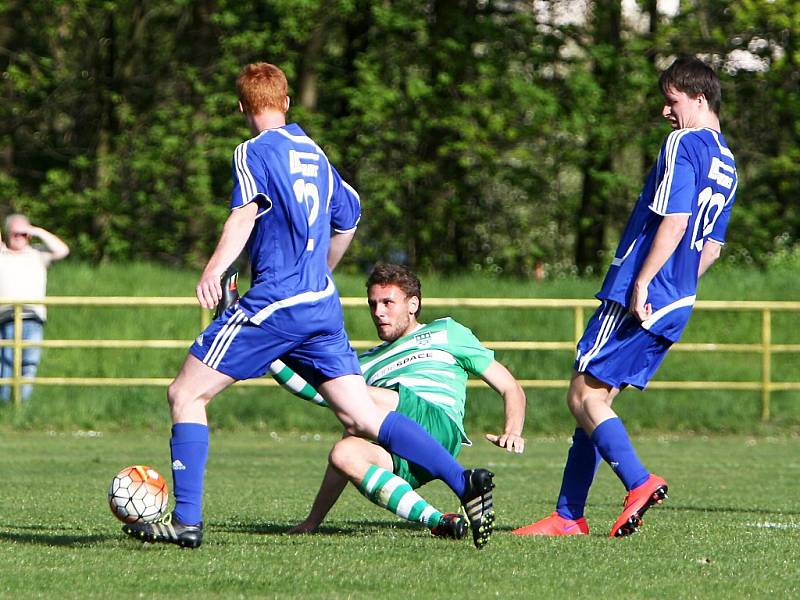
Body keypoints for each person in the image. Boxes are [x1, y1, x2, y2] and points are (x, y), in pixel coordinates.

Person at [122, 62, 496, 549]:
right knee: (361, 414)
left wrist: (214, 269)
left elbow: (243, 213)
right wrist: (321, 271)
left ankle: (187, 521)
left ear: (241, 107)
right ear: (286, 103)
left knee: (185, 395)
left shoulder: (251, 151)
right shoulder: (315, 153)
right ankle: (462, 479)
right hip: (322, 303)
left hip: (277, 300)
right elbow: (350, 212)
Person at [513, 56, 737, 538]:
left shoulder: (685, 143)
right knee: (596, 405)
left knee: (581, 393)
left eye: (671, 100)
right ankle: (568, 515)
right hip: (679, 299)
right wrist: (678, 283)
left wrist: (643, 281)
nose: (664, 111)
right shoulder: (728, 162)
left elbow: (675, 219)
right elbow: (712, 247)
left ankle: (638, 482)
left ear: (699, 99)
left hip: (643, 293)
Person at [274, 264, 525, 544]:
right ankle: (440, 521)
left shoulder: (446, 332)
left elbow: (510, 386)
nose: (378, 312)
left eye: (387, 303)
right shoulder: (366, 362)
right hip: (401, 448)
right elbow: (326, 393)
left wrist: (512, 429)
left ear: (413, 304)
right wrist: (312, 522)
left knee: (353, 397)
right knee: (344, 453)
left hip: (437, 424)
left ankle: (461, 482)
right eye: (373, 304)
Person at [0, 214, 70, 402]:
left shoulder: (38, 254)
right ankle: (6, 407)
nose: (19, 236)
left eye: (23, 233)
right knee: (5, 366)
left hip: (32, 318)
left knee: (28, 365)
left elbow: (62, 250)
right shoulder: (2, 255)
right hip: (6, 317)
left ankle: (22, 406)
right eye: (14, 232)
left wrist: (36, 230)